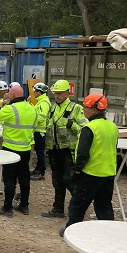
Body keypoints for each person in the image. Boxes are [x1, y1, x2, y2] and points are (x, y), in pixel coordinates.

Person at [58, 94, 118, 237]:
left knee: (78, 205)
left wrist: (77, 171)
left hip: (90, 174)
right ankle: (109, 234)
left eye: (86, 107)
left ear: (94, 110)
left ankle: (71, 232)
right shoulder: (112, 126)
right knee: (104, 207)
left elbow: (83, 153)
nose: (84, 109)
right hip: (108, 173)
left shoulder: (89, 128)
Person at [41, 79, 88, 219]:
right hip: (54, 150)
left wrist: (70, 124)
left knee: (69, 180)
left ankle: (79, 208)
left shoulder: (76, 109)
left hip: (67, 151)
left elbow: (84, 129)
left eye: (60, 93)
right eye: (55, 93)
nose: (57, 96)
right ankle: (58, 209)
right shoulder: (53, 108)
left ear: (68, 93)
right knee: (57, 181)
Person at [0, 85, 38, 217]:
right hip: (26, 149)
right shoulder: (32, 108)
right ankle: (24, 205)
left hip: (10, 149)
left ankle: (7, 207)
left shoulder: (10, 109)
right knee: (24, 178)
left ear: (12, 95)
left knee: (9, 179)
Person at [31, 83, 51, 180]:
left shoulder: (43, 102)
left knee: (40, 152)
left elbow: (41, 117)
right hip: (38, 130)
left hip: (40, 130)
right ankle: (38, 169)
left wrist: (32, 118)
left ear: (39, 92)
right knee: (38, 151)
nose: (33, 93)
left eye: (35, 91)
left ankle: (41, 171)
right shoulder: (41, 101)